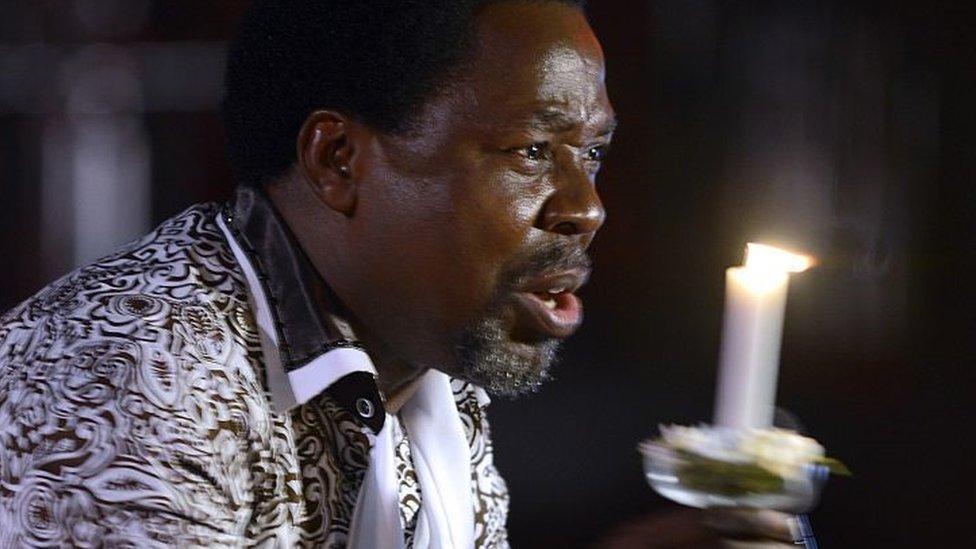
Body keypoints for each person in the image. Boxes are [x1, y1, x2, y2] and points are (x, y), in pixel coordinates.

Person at [0, 1, 798, 546]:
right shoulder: (131, 370)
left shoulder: (426, 377)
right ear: (338, 159)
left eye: (591, 153)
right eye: (530, 151)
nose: (586, 206)